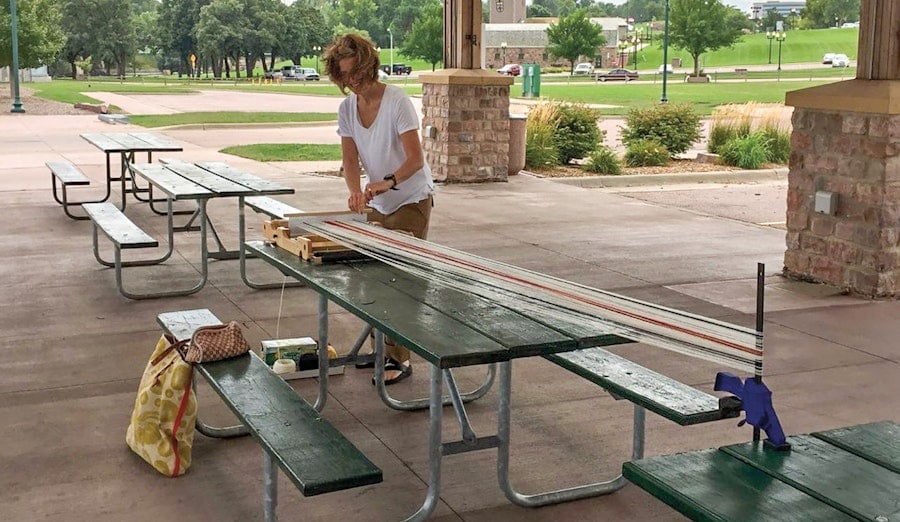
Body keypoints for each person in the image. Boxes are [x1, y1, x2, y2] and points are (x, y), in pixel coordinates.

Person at [323, 33, 434, 385]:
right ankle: (380, 350)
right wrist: (355, 192)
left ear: (369, 66)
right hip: (377, 200)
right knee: (372, 276)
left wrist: (387, 181)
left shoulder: (397, 102)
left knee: (399, 279)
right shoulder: (347, 109)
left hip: (410, 198)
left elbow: (416, 159)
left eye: (356, 74)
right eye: (344, 77)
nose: (352, 83)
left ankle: (399, 359)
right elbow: (350, 158)